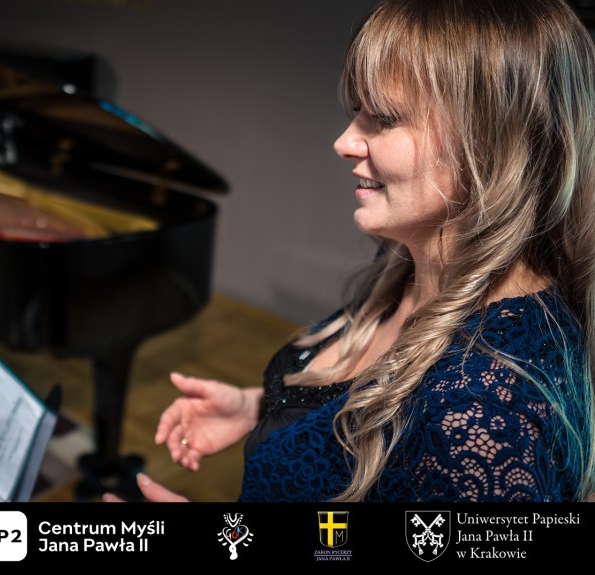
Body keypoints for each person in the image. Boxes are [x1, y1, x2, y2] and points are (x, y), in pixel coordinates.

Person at [111, 0, 595, 502]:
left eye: (383, 119)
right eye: (357, 113)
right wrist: (262, 410)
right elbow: (372, 427)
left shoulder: (483, 411)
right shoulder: (407, 268)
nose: (344, 141)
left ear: (493, 143)